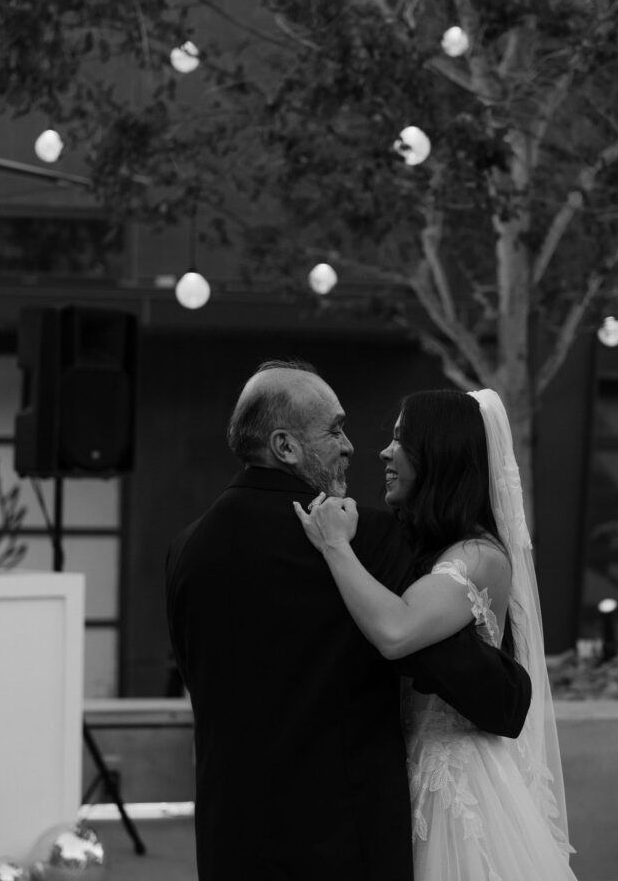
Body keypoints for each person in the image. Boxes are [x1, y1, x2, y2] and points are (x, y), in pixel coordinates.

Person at [166, 362, 531, 881]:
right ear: (286, 447)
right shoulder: (369, 538)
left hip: (230, 841)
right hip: (346, 841)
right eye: (335, 429)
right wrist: (511, 688)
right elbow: (474, 683)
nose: (354, 445)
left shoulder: (184, 550)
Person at [295, 388, 579, 881]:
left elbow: (396, 631)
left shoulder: (477, 555)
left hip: (456, 785)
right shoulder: (431, 549)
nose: (384, 452)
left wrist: (335, 546)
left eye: (401, 440)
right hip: (404, 775)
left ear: (439, 455)